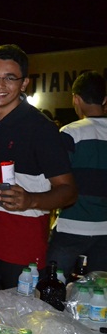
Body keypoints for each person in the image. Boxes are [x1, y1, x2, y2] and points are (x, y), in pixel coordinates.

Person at [0, 44, 77, 291]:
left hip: (23, 247)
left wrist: (31, 200)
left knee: (21, 314)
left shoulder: (42, 128)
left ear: (24, 83)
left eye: (10, 78)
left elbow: (69, 191)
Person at [46, 71, 107, 277]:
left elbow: (54, 178)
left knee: (53, 283)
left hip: (72, 226)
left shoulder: (71, 132)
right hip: (105, 230)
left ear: (76, 99)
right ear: (104, 99)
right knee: (97, 287)